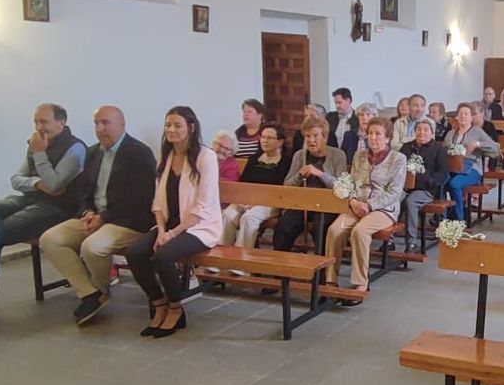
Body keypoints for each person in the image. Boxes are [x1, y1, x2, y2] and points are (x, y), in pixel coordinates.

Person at [0, 103, 87, 327]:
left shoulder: (75, 148)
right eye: (36, 121)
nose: (38, 126)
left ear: (61, 123)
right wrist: (38, 183)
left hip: (58, 208)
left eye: (44, 121)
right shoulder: (35, 144)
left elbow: (56, 184)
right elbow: (16, 179)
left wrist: (40, 156)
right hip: (32, 198)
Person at [37, 105, 155, 326]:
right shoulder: (93, 153)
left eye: (106, 123)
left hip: (129, 222)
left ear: (122, 124)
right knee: (50, 239)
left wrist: (105, 217)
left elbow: (141, 198)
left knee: (92, 247)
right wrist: (88, 212)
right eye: (96, 123)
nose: (100, 129)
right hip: (97, 217)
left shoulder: (139, 153)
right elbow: (82, 192)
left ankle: (101, 291)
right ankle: (90, 293)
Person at [127, 106, 221, 339]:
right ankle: (159, 303)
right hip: (169, 225)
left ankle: (176, 308)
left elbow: (203, 205)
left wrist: (172, 233)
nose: (171, 129)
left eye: (177, 125)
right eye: (168, 125)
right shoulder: (168, 156)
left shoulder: (205, 156)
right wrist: (161, 230)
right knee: (135, 252)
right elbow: (158, 201)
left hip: (199, 226)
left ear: (190, 127)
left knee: (163, 256)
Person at [326, 117, 407, 291]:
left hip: (383, 209)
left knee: (360, 231)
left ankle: (360, 282)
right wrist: (353, 201)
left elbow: (394, 193)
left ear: (388, 138)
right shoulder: (359, 156)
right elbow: (351, 184)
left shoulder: (398, 159)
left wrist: (369, 205)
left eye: (378, 134)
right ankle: (330, 279)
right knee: (334, 230)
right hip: (357, 205)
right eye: (370, 133)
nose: (373, 138)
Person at [274, 117, 349, 252]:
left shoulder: (338, 155)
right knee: (283, 226)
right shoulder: (299, 155)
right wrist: (299, 175)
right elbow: (287, 185)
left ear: (325, 137)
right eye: (308, 136)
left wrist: (320, 174)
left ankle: (321, 270)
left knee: (319, 229)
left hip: (328, 204)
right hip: (303, 203)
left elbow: (343, 188)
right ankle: (281, 268)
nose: (311, 140)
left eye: (315, 136)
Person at [221, 123, 291, 253]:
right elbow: (243, 183)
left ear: (280, 141)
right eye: (263, 137)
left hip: (270, 202)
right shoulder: (254, 159)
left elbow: (278, 188)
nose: (264, 140)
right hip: (246, 200)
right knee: (228, 215)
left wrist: (254, 203)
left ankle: (242, 261)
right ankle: (222, 258)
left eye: (269, 138)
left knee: (249, 218)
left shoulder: (286, 162)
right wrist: (241, 201)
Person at [444, 103, 500, 222]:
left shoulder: (477, 132)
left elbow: (494, 148)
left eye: (466, 114)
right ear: (457, 117)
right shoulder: (450, 134)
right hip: (453, 166)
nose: (463, 116)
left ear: (471, 117)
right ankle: (443, 216)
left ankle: (459, 219)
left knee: (454, 184)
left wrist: (478, 144)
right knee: (440, 182)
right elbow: (443, 150)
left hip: (472, 168)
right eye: (461, 114)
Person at [399, 117, 449, 251]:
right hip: (405, 187)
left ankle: (411, 242)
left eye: (425, 130)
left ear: (431, 133)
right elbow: (398, 165)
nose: (422, 132)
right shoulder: (407, 147)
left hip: (426, 189)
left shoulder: (438, 149)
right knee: (394, 199)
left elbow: (443, 172)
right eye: (419, 129)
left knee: (410, 202)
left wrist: (428, 180)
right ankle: (389, 240)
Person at [327, 87, 361, 161]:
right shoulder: (330, 117)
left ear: (348, 100)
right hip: (332, 158)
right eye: (335, 103)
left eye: (339, 102)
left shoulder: (358, 118)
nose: (337, 106)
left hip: (350, 159)